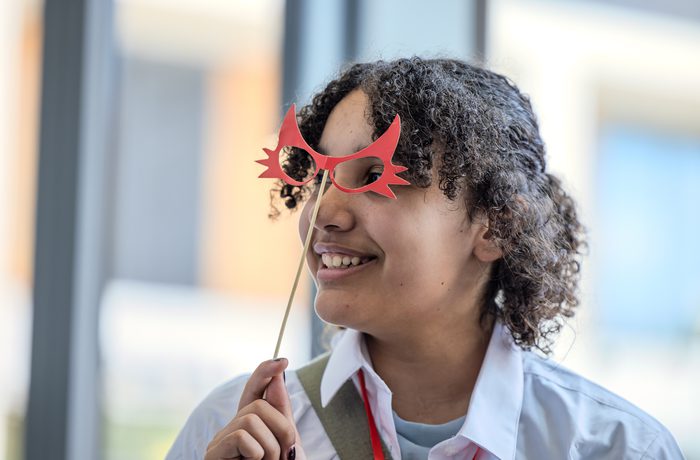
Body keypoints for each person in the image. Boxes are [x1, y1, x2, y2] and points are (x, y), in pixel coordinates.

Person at [166, 58, 685, 460]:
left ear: (496, 226)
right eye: (320, 174)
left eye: (372, 176)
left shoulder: (616, 448)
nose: (323, 211)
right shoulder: (228, 430)